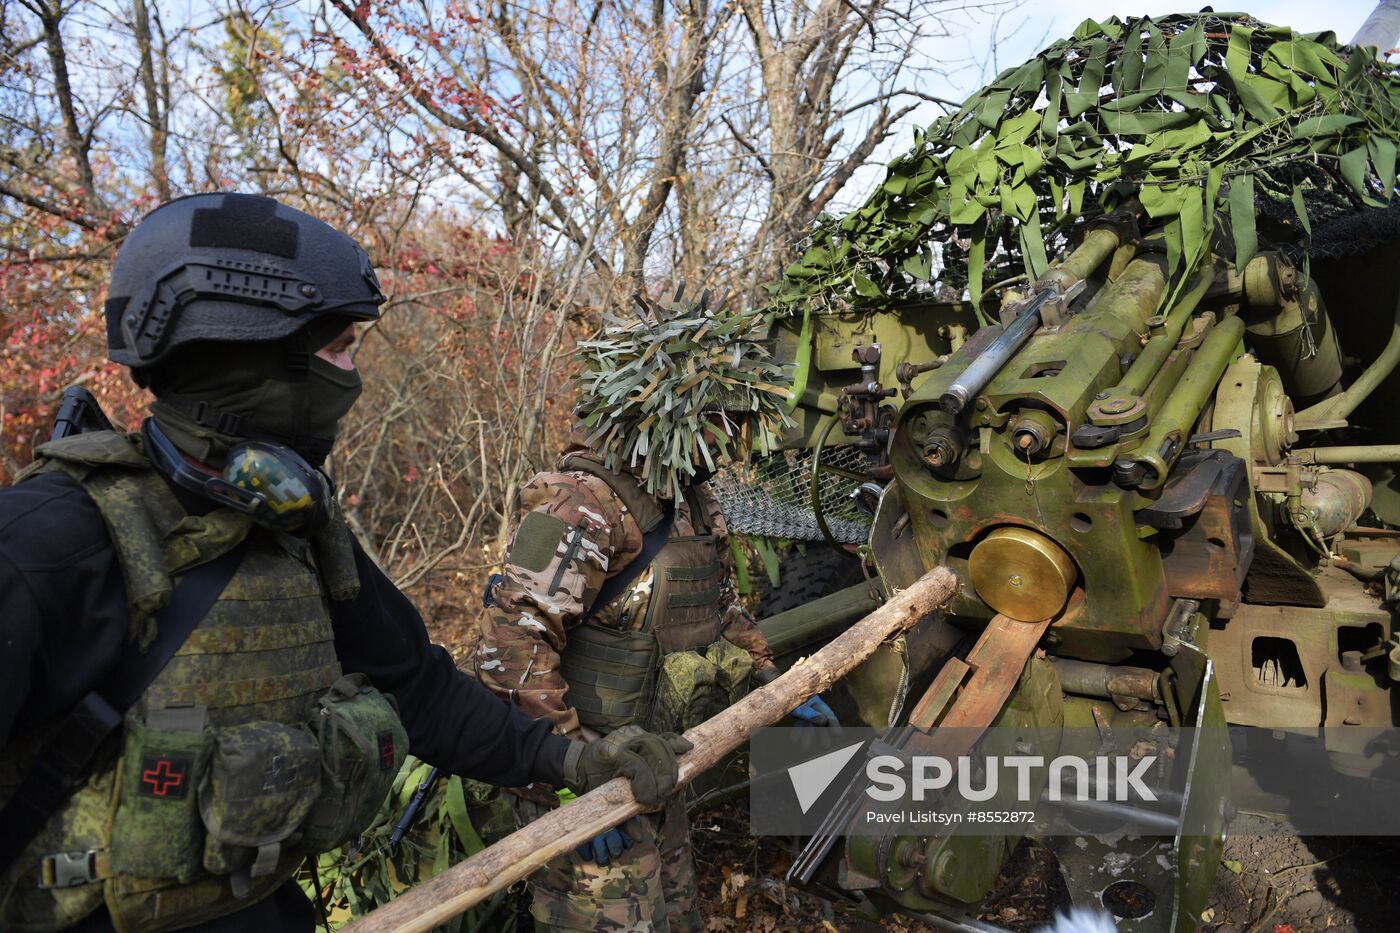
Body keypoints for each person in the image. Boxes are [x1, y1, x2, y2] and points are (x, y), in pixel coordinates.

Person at [0, 193, 688, 933]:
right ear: (250, 354)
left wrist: (570, 762)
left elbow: (422, 693)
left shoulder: (302, 534)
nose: (353, 377)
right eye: (337, 351)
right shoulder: (48, 545)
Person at [474, 288, 837, 932]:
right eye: (717, 422)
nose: (726, 443)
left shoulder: (691, 503)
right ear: (664, 410)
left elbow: (721, 610)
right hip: (581, 777)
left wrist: (773, 688)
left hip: (655, 771)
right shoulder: (578, 508)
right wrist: (566, 797)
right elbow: (511, 656)